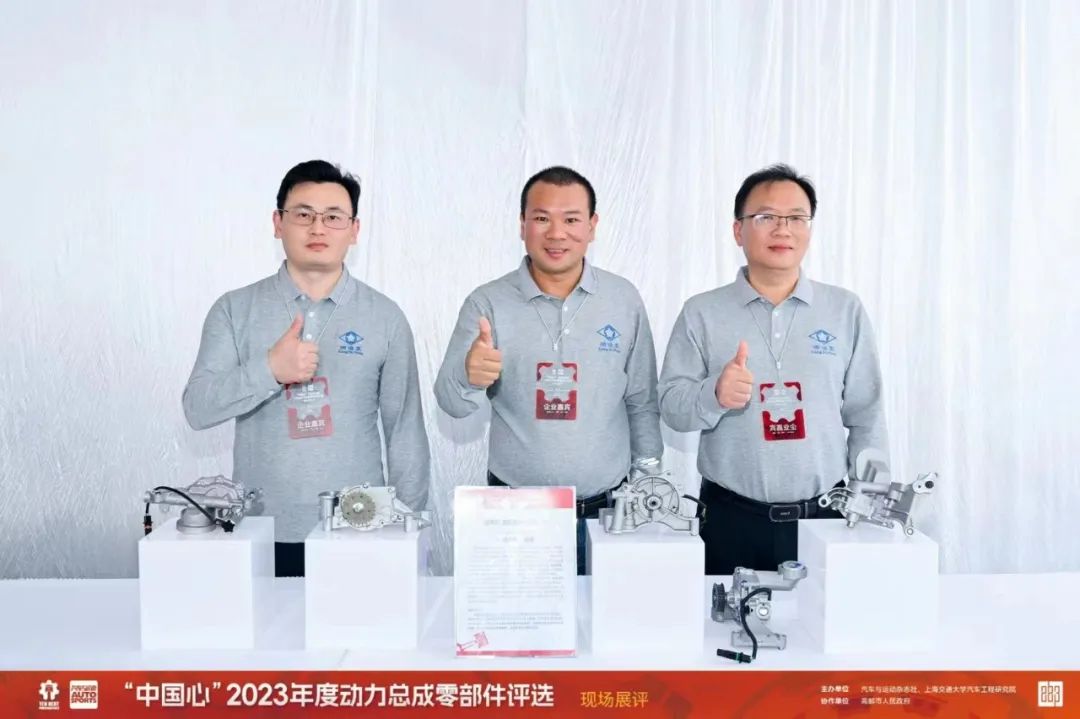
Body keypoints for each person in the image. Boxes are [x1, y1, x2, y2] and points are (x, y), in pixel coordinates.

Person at [182, 160, 429, 576]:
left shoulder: (385, 317)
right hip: (261, 530)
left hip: (359, 529)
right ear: (277, 223)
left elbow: (405, 431)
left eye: (333, 217)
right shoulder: (234, 309)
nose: (318, 228)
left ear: (354, 230)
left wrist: (409, 529)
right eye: (303, 215)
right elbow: (197, 409)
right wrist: (269, 369)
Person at [658, 164, 888, 575]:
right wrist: (715, 395)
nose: (783, 229)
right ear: (738, 230)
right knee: (723, 616)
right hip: (730, 520)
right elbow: (672, 408)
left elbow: (867, 415)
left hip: (826, 518)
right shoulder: (702, 312)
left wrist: (868, 501)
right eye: (766, 217)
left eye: (797, 218)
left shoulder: (844, 310)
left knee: (826, 617)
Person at [434, 166, 663, 574]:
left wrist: (648, 480)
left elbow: (642, 399)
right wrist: (469, 377)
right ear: (522, 224)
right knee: (520, 618)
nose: (557, 234)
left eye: (571, 220)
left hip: (608, 512)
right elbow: (451, 403)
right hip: (515, 516)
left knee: (607, 615)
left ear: (592, 226)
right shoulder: (487, 302)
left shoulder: (622, 299)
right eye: (542, 218)